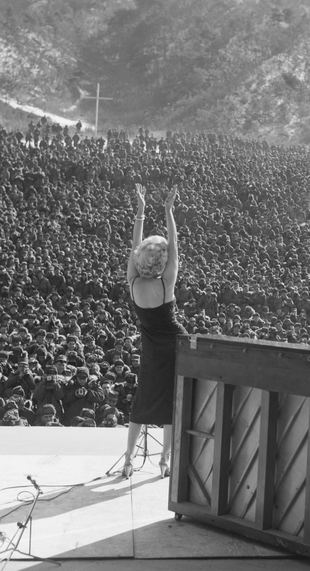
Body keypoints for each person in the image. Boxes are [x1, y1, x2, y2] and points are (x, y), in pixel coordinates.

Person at [122, 183, 186, 479]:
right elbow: (174, 246)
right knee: (173, 402)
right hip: (175, 344)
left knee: (143, 400)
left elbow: (135, 247)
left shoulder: (133, 283)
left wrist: (141, 212)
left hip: (150, 346)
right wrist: (169, 211)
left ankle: (127, 460)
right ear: (161, 261)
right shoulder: (166, 282)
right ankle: (165, 462)